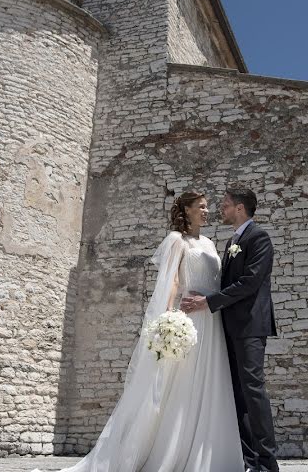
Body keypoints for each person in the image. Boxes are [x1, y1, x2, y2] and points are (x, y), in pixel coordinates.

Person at [57, 191, 244, 472]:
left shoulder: (208, 241)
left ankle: (209, 452)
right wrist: (168, 316)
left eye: (207, 207)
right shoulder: (176, 240)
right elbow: (172, 281)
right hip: (191, 317)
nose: (207, 211)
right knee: (182, 385)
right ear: (187, 210)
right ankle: (173, 450)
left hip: (212, 320)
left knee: (210, 381)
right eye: (201, 207)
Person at [181, 187, 279, 472]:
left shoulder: (259, 238)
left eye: (224, 205)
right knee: (237, 392)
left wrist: (208, 302)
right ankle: (248, 461)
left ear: (239, 208)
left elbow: (249, 283)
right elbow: (227, 282)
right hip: (229, 327)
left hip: (250, 326)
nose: (219, 209)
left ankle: (267, 462)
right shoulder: (232, 242)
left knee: (253, 389)